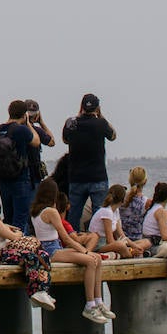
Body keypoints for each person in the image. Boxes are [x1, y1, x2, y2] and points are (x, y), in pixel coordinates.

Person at [30, 179, 111, 323]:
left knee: (97, 258)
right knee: (91, 261)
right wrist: (84, 251)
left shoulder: (35, 210)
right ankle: (90, 305)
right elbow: (66, 239)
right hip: (52, 251)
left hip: (48, 249)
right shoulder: (51, 212)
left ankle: (99, 302)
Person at [0, 186, 55, 310]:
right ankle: (36, 291)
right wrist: (19, 233)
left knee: (42, 255)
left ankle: (42, 290)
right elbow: (14, 237)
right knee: (31, 256)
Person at [61, 94, 115, 232]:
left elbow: (65, 140)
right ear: (97, 108)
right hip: (98, 176)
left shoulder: (71, 122)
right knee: (99, 213)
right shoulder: (101, 123)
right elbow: (113, 135)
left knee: (74, 212)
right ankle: (97, 241)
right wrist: (100, 116)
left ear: (81, 107)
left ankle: (72, 239)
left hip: (76, 176)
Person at [0, 101, 41, 233]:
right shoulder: (21, 129)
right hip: (20, 178)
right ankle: (18, 250)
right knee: (20, 219)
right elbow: (36, 141)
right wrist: (29, 125)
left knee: (8, 219)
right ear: (24, 114)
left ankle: (8, 249)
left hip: (3, 179)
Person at [89, 185, 144, 258]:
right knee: (121, 246)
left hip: (106, 243)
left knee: (142, 243)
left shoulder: (115, 211)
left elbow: (121, 234)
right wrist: (127, 247)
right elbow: (110, 240)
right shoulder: (106, 212)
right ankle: (130, 254)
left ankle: (131, 252)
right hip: (98, 244)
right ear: (122, 200)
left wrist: (134, 245)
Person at [118, 167, 149, 243]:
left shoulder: (121, 197)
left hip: (119, 238)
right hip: (137, 239)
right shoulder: (145, 201)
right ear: (145, 182)